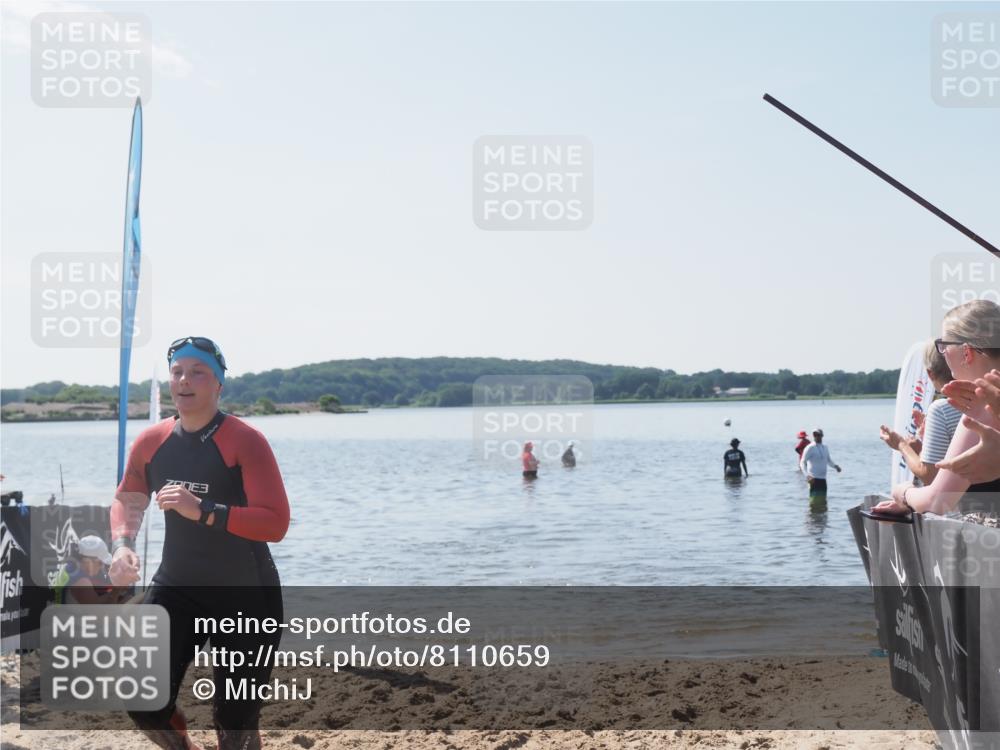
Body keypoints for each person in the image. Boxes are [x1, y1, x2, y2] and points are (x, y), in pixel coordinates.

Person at [110, 336, 290, 750]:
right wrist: (122, 544)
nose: (185, 381)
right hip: (178, 586)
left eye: (198, 372)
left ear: (218, 384)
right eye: (177, 372)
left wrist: (206, 511)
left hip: (246, 594)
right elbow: (128, 498)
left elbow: (276, 523)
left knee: (235, 718)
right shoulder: (152, 442)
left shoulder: (245, 440)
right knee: (141, 698)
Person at [873, 301, 1000, 517]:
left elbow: (938, 500)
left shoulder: (980, 404)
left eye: (944, 345)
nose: (943, 354)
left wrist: (903, 492)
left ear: (967, 352)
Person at [879, 339, 962, 485]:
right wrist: (929, 432)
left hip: (961, 504)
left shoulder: (941, 409)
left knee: (901, 490)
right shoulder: (984, 400)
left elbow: (929, 475)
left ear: (930, 374)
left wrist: (901, 445)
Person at [935, 368, 1000, 485]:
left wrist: (903, 492)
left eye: (944, 349)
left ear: (967, 352)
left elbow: (935, 499)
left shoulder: (939, 409)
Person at [53, 535, 129, 605]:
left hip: (64, 613)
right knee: (132, 600)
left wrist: (115, 591)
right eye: (100, 563)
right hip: (73, 617)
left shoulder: (70, 568)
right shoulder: (82, 582)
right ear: (87, 560)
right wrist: (116, 592)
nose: (101, 567)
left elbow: (94, 600)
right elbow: (101, 613)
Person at [799, 428, 841, 506]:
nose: (816, 436)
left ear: (822, 435)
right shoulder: (810, 447)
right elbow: (802, 462)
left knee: (823, 503)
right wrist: (807, 476)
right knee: (814, 503)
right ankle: (813, 517)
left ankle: (823, 517)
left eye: (818, 435)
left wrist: (835, 466)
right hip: (813, 479)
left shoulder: (825, 447)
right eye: (815, 435)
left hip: (823, 479)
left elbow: (828, 460)